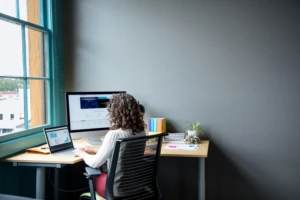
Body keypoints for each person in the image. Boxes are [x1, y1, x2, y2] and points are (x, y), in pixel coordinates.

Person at [74, 93, 146, 198]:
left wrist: (82, 153)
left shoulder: (114, 134)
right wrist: (94, 149)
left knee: (96, 174)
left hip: (116, 190)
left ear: (115, 112)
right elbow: (121, 152)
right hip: (136, 187)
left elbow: (94, 163)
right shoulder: (141, 131)